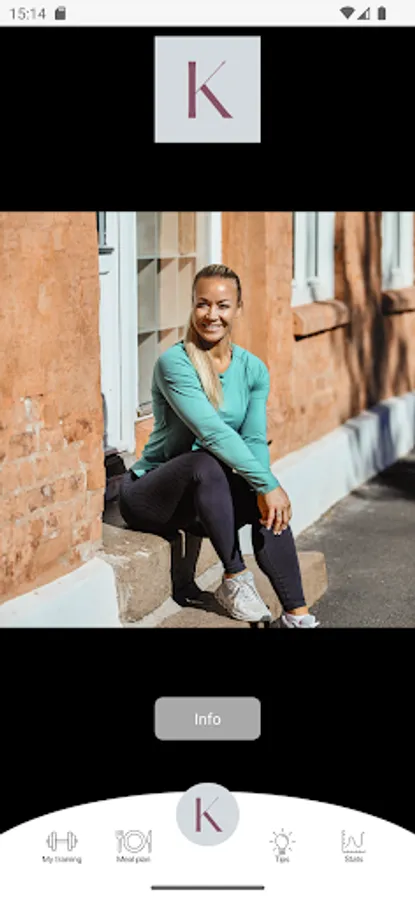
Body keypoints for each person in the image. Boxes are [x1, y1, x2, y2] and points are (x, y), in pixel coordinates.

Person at [119, 264, 319, 628]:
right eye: (203, 304)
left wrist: (265, 488)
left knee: (269, 504)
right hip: (151, 496)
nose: (212, 315)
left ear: (238, 309)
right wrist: (267, 483)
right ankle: (234, 578)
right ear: (193, 306)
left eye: (223, 305)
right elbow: (210, 432)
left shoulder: (252, 369)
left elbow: (254, 439)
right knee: (206, 462)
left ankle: (298, 616)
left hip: (206, 501)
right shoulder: (174, 364)